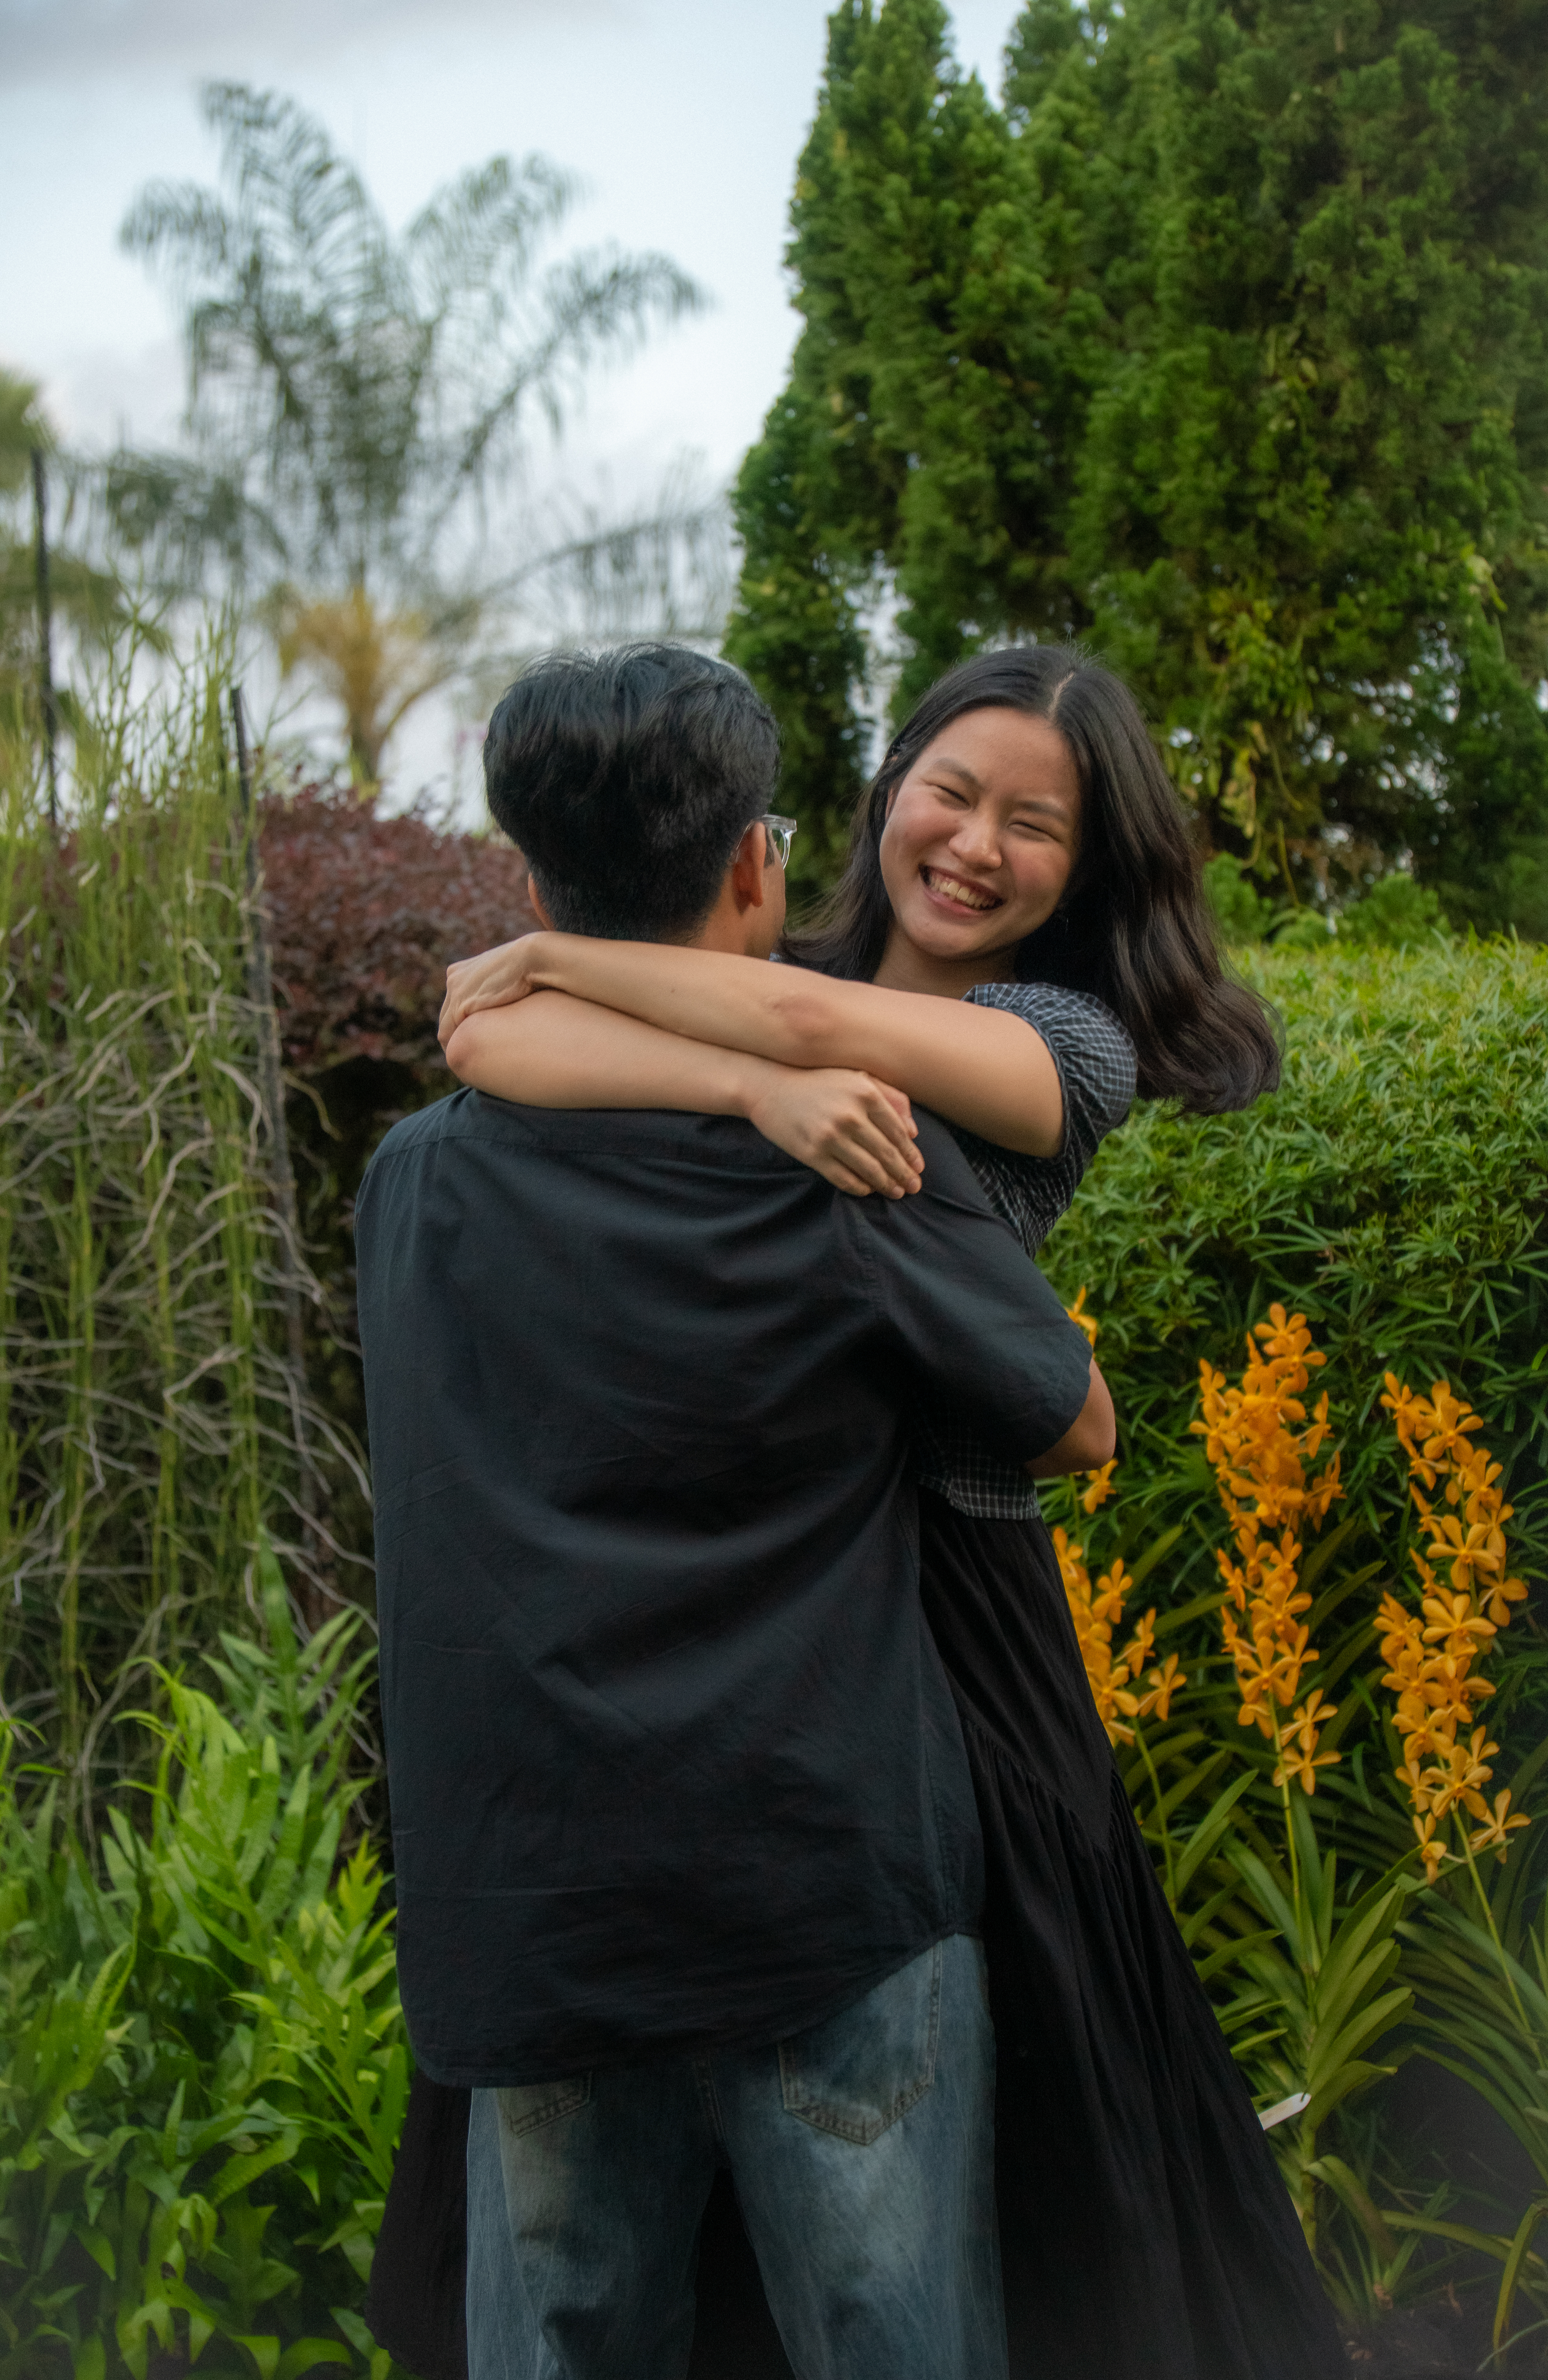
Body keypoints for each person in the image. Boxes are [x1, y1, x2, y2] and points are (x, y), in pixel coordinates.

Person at [420, 642, 1348, 2380]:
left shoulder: (1062, 1045)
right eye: (953, 791)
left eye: (1037, 825)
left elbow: (774, 1029)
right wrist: (739, 1084)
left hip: (946, 1609)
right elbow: (490, 1043)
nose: (978, 845)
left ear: (1093, 867)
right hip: (727, 1596)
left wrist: (570, 961)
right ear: (887, 787)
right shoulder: (752, 988)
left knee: (952, 2153)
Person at [354, 641, 1116, 2380]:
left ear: (532, 889)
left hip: (532, 1895)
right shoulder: (857, 1166)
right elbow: (1076, 1424)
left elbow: (495, 1045)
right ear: (760, 869)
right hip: (817, 1872)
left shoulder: (407, 1184)